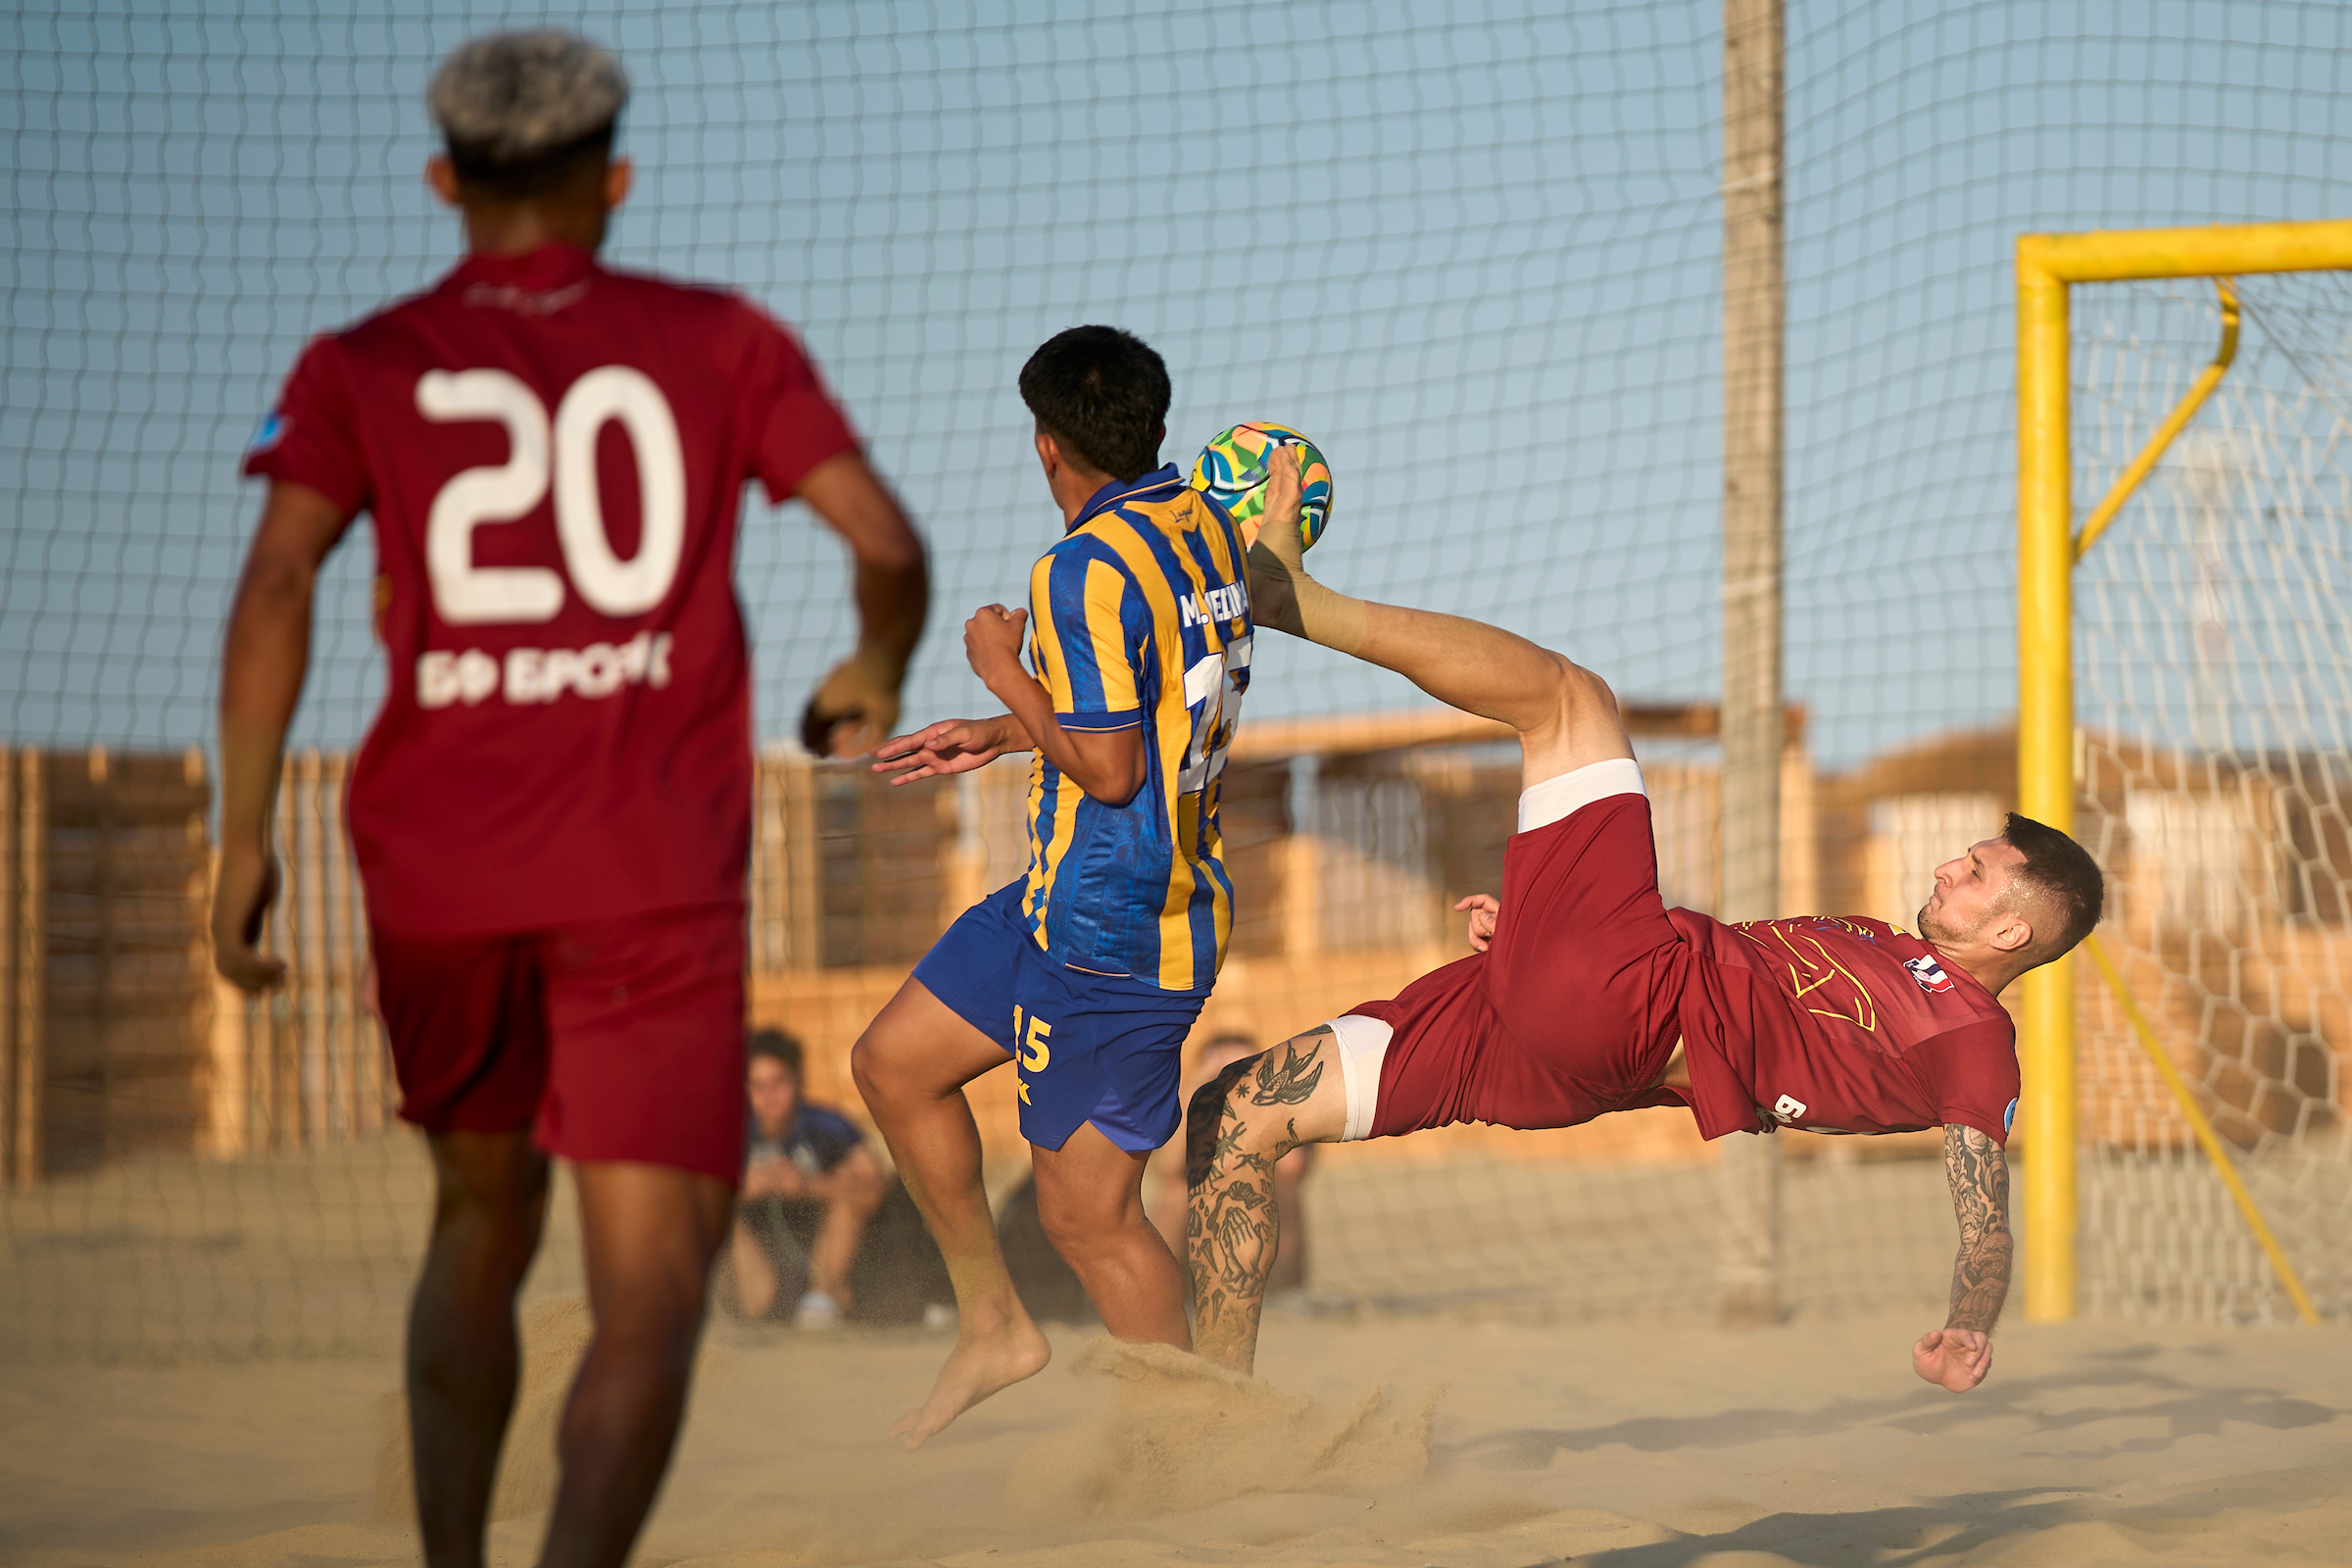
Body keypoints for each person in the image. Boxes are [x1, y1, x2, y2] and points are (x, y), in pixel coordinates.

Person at [211, 30, 927, 1568]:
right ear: (617, 181)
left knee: (477, 1224)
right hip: (645, 872)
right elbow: (883, 540)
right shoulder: (719, 339)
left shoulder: (358, 363)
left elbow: (276, 583)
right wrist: (872, 664)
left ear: (440, 182)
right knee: (652, 1291)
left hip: (439, 871)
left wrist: (242, 836)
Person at [1187, 451, 2102, 1396]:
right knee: (1235, 1113)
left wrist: (1969, 1321)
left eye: (1979, 873)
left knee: (1571, 698)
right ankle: (1211, 1410)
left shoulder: (1972, 1038)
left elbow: (1986, 1222)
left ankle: (1293, 598)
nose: (1951, 865)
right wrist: (1537, 931)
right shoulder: (1885, 944)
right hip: (1556, 1044)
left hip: (1629, 1001)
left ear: (2011, 936)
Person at [853, 325, 1254, 1448]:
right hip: (1057, 893)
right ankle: (993, 1326)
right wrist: (1001, 730)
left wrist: (1001, 670)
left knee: (1091, 1222)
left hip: (1118, 932)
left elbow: (1114, 769)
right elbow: (1145, 711)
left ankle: (1198, 1445)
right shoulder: (1203, 525)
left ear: (1046, 446)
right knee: (893, 1065)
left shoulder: (1076, 570)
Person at [727, 1030, 890, 1328]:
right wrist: (743, 1186)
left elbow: (875, 1182)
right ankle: (750, 1307)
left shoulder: (829, 1125)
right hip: (756, 1252)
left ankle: (821, 1299)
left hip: (824, 1243)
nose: (769, 1096)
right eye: (757, 1085)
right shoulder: (730, 1130)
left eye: (778, 1082)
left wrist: (808, 1185)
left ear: (797, 1080)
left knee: (856, 1192)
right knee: (716, 1205)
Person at [1147, 1032, 1313, 1293]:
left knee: (1280, 1186)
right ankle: (1162, 1292)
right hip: (1200, 1235)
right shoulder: (1195, 1109)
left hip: (1255, 1224)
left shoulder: (1277, 1106)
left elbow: (1292, 1167)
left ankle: (1282, 1295)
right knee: (1175, 1191)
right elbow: (1168, 1167)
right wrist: (1197, 1090)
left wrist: (1266, 1090)